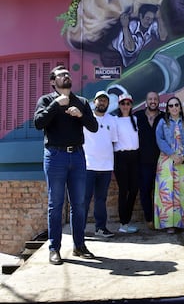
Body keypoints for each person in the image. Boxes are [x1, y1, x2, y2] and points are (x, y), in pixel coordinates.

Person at [33, 65, 98, 265]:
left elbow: (94, 127)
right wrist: (55, 104)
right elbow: (38, 123)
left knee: (79, 204)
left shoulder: (82, 101)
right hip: (55, 157)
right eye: (62, 74)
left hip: (78, 157)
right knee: (56, 204)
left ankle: (79, 246)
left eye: (68, 73)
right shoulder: (45, 100)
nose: (66, 75)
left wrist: (81, 115)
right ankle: (54, 249)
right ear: (53, 81)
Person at [154, 97, 184, 233]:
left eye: (176, 105)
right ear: (167, 109)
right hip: (167, 160)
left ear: (180, 106)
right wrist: (172, 154)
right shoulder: (162, 122)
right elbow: (159, 140)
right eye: (171, 106)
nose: (174, 108)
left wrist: (183, 156)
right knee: (167, 192)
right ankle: (169, 224)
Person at [83, 91, 118, 238]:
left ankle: (101, 228)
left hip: (106, 166)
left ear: (108, 104)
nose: (102, 102)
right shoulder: (86, 118)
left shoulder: (112, 120)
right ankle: (80, 230)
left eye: (105, 100)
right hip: (88, 166)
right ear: (94, 102)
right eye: (100, 100)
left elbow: (113, 141)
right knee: (83, 199)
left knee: (101, 199)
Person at [134, 91, 164, 229]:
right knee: (145, 191)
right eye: (150, 99)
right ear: (146, 101)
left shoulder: (165, 117)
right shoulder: (137, 116)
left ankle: (163, 219)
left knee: (162, 191)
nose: (153, 101)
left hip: (163, 161)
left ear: (159, 101)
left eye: (155, 99)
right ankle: (149, 220)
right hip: (143, 161)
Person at [114, 94, 140, 233]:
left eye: (128, 103)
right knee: (123, 190)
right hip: (121, 156)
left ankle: (127, 221)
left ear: (131, 105)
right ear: (119, 105)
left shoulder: (135, 120)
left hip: (134, 156)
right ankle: (123, 224)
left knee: (134, 189)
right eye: (123, 103)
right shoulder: (114, 120)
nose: (125, 106)